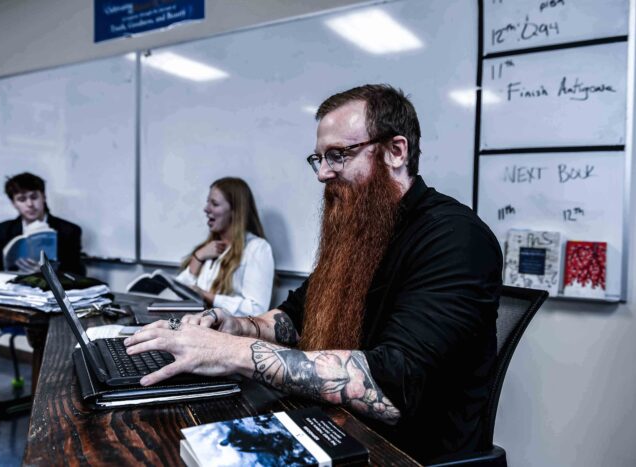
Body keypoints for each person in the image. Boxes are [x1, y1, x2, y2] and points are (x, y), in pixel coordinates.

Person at [124, 85, 502, 463]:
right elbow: (293, 318)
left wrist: (231, 352)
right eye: (318, 158)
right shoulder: (363, 232)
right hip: (335, 427)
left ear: (395, 151)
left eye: (338, 155)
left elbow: (394, 387)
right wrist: (232, 326)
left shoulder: (456, 238)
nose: (323, 174)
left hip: (405, 453)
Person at [0, 172, 85, 429]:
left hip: (44, 308)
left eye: (34, 197)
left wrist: (53, 270)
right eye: (21, 199)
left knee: (56, 328)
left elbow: (79, 276)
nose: (29, 204)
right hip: (8, 305)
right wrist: (11, 269)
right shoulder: (6, 229)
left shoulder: (67, 230)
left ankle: (48, 401)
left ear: (43, 196)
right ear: (13, 203)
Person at [174, 177, 274, 316]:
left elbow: (256, 310)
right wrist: (198, 256)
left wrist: (207, 296)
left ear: (235, 211)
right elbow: (177, 295)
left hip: (225, 334)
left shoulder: (257, 249)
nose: (206, 209)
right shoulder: (208, 248)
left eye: (214, 204)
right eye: (207, 202)